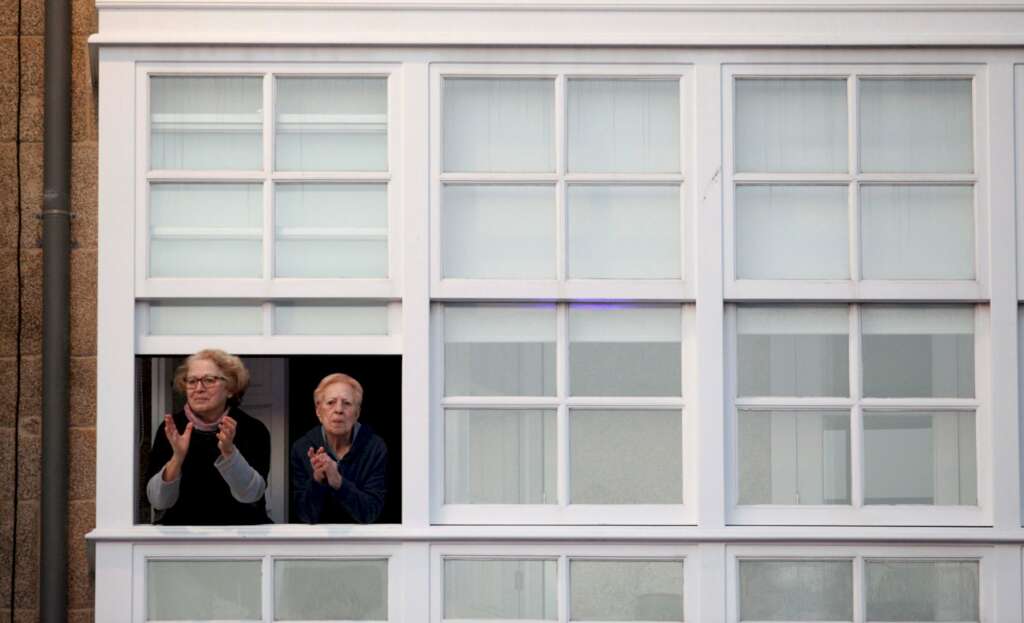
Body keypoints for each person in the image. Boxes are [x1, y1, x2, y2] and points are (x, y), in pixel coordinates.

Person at [146, 349, 271, 525]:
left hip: (241, 537)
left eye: (209, 380)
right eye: (191, 381)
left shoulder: (253, 429)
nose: (198, 388)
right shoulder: (171, 428)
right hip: (182, 538)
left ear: (230, 389)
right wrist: (177, 458)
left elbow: (251, 495)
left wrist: (229, 452)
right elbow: (158, 502)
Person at [291, 373, 388, 523]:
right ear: (318, 411)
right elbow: (305, 515)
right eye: (330, 402)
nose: (339, 410)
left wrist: (338, 482)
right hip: (317, 542)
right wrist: (318, 479)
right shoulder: (302, 448)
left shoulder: (375, 447)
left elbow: (371, 513)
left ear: (357, 413)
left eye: (347, 403)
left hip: (363, 541)